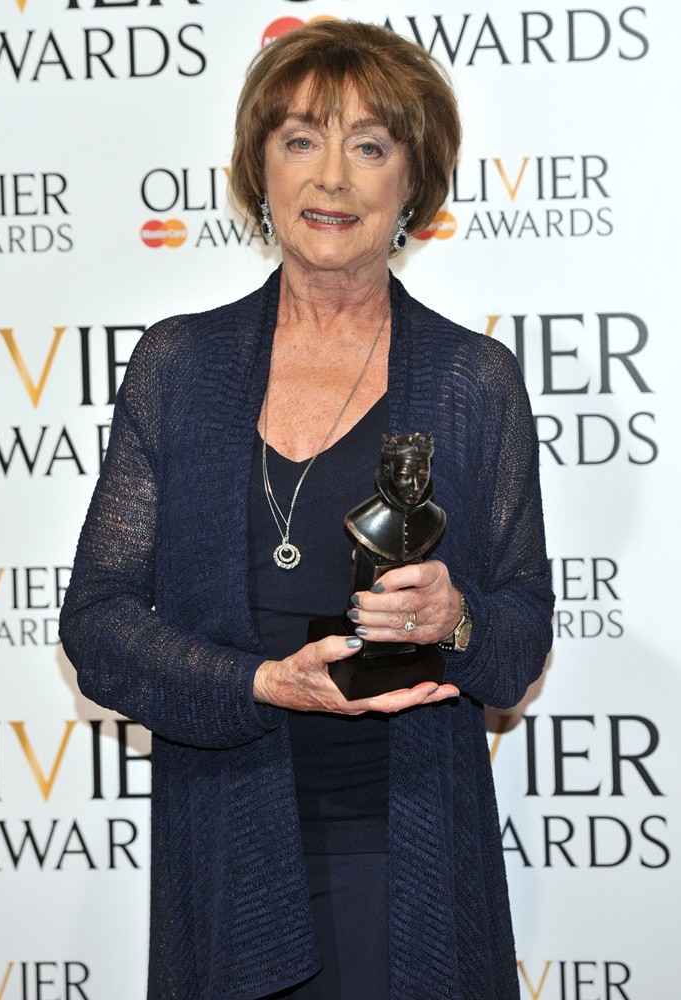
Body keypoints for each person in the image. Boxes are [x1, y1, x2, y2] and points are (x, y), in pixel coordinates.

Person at [59, 19, 554, 1000]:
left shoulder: (470, 379)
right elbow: (99, 628)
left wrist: (454, 615)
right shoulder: (180, 366)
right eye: (299, 138)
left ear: (411, 183)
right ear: (259, 170)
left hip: (407, 846)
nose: (330, 177)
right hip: (230, 847)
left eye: (368, 144)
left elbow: (519, 645)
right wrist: (262, 683)